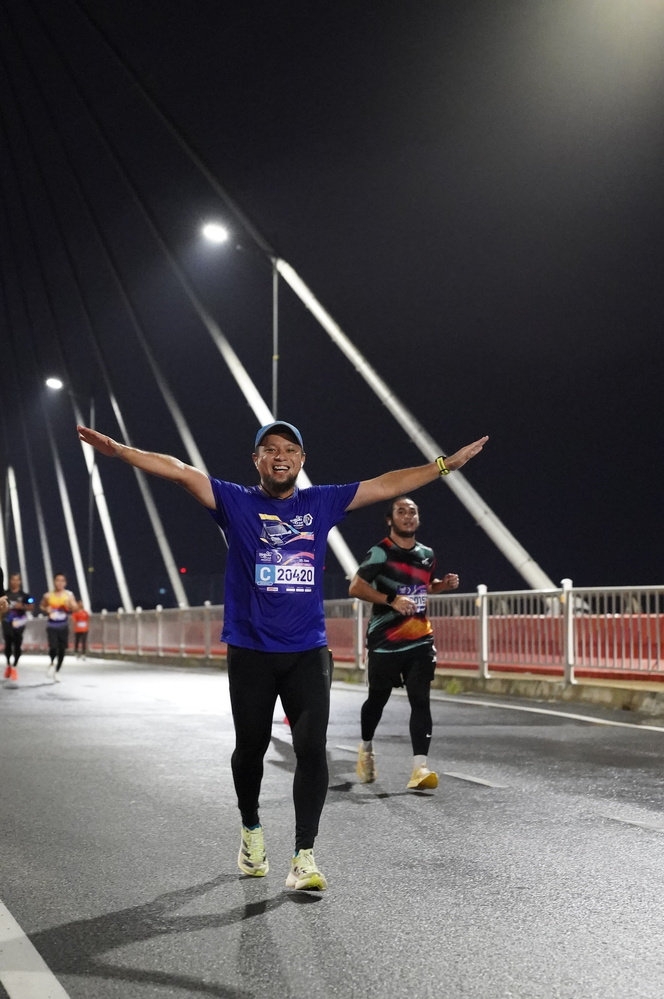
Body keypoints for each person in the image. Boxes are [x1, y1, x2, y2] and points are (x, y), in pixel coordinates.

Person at [78, 420, 487, 890]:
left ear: (302, 460)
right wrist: (121, 450)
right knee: (249, 750)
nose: (280, 456)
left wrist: (444, 466)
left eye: (290, 449)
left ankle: (304, 856)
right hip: (251, 649)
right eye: (270, 449)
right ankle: (251, 828)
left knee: (311, 750)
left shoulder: (320, 502)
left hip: (306, 650)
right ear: (256, 459)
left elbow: (386, 484)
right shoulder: (235, 501)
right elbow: (180, 471)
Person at [349, 496, 460, 789]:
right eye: (401, 512)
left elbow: (424, 587)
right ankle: (366, 748)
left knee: (420, 701)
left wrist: (442, 586)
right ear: (390, 520)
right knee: (377, 700)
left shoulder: (427, 554)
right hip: (385, 642)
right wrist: (391, 600)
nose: (408, 516)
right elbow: (355, 587)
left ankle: (419, 769)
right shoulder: (380, 553)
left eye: (413, 511)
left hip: (420, 639)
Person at [40, 573, 78, 681]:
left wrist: (69, 605)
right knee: (53, 647)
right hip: (52, 625)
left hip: (63, 626)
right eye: (58, 580)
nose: (60, 583)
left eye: (62, 581)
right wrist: (46, 609)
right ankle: (52, 662)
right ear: (54, 582)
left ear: (65, 583)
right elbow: (42, 605)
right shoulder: (48, 595)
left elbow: (75, 608)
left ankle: (57, 671)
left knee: (62, 649)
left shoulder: (68, 595)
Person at [2, 572, 33, 688]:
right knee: (8, 644)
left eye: (17, 580)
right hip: (7, 622)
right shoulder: (5, 594)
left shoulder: (24, 595)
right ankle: (8, 665)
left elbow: (31, 606)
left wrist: (23, 606)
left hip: (19, 623)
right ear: (9, 581)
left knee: (17, 645)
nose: (14, 582)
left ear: (20, 581)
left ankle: (14, 667)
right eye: (12, 579)